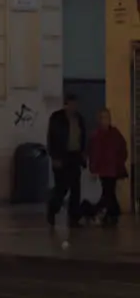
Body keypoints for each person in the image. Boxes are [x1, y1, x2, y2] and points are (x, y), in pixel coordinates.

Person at [47, 94, 89, 228]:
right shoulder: (57, 118)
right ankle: (52, 209)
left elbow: (82, 137)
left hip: (75, 156)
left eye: (75, 104)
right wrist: (54, 157)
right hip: (61, 156)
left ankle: (74, 217)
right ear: (65, 104)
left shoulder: (79, 119)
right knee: (62, 187)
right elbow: (51, 138)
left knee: (75, 188)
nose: (73, 107)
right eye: (71, 104)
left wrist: (83, 154)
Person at [88, 108, 128, 228]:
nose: (107, 120)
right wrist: (94, 169)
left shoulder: (115, 133)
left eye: (108, 117)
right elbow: (94, 153)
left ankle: (110, 214)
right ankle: (111, 213)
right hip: (104, 169)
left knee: (108, 193)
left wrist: (120, 161)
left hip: (113, 168)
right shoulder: (96, 135)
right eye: (104, 117)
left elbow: (122, 148)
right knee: (108, 192)